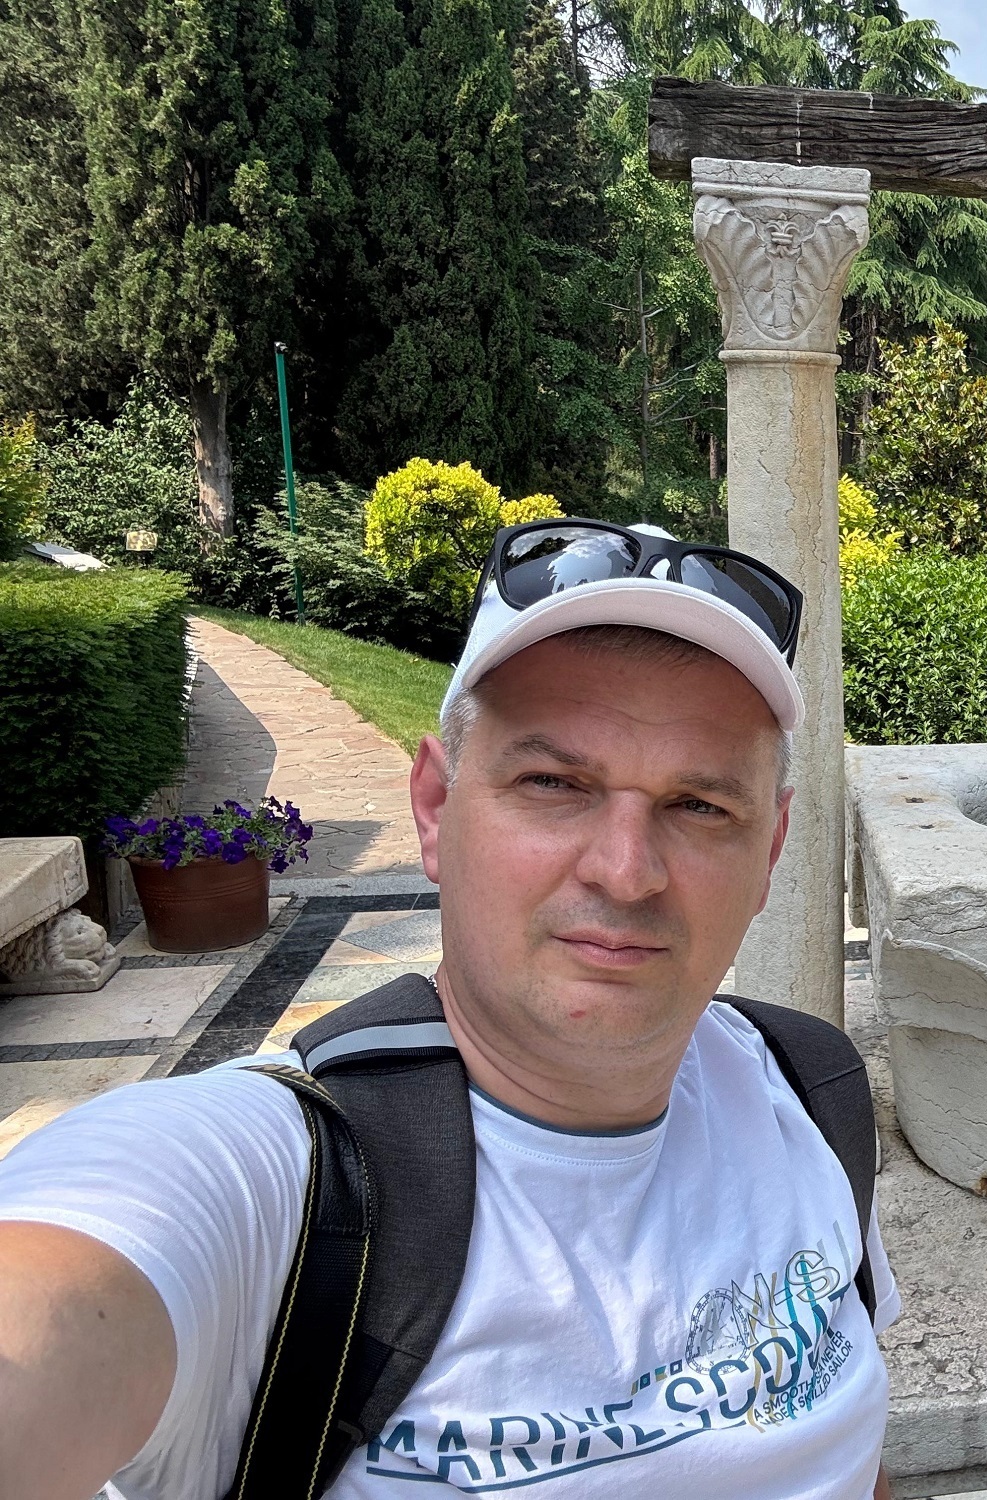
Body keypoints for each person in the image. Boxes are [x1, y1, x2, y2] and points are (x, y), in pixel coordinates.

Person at [0, 522, 899, 1499]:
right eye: (553, 784)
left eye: (699, 806)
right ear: (434, 808)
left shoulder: (806, 1091)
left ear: (769, 852)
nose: (626, 871)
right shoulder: (275, 1181)